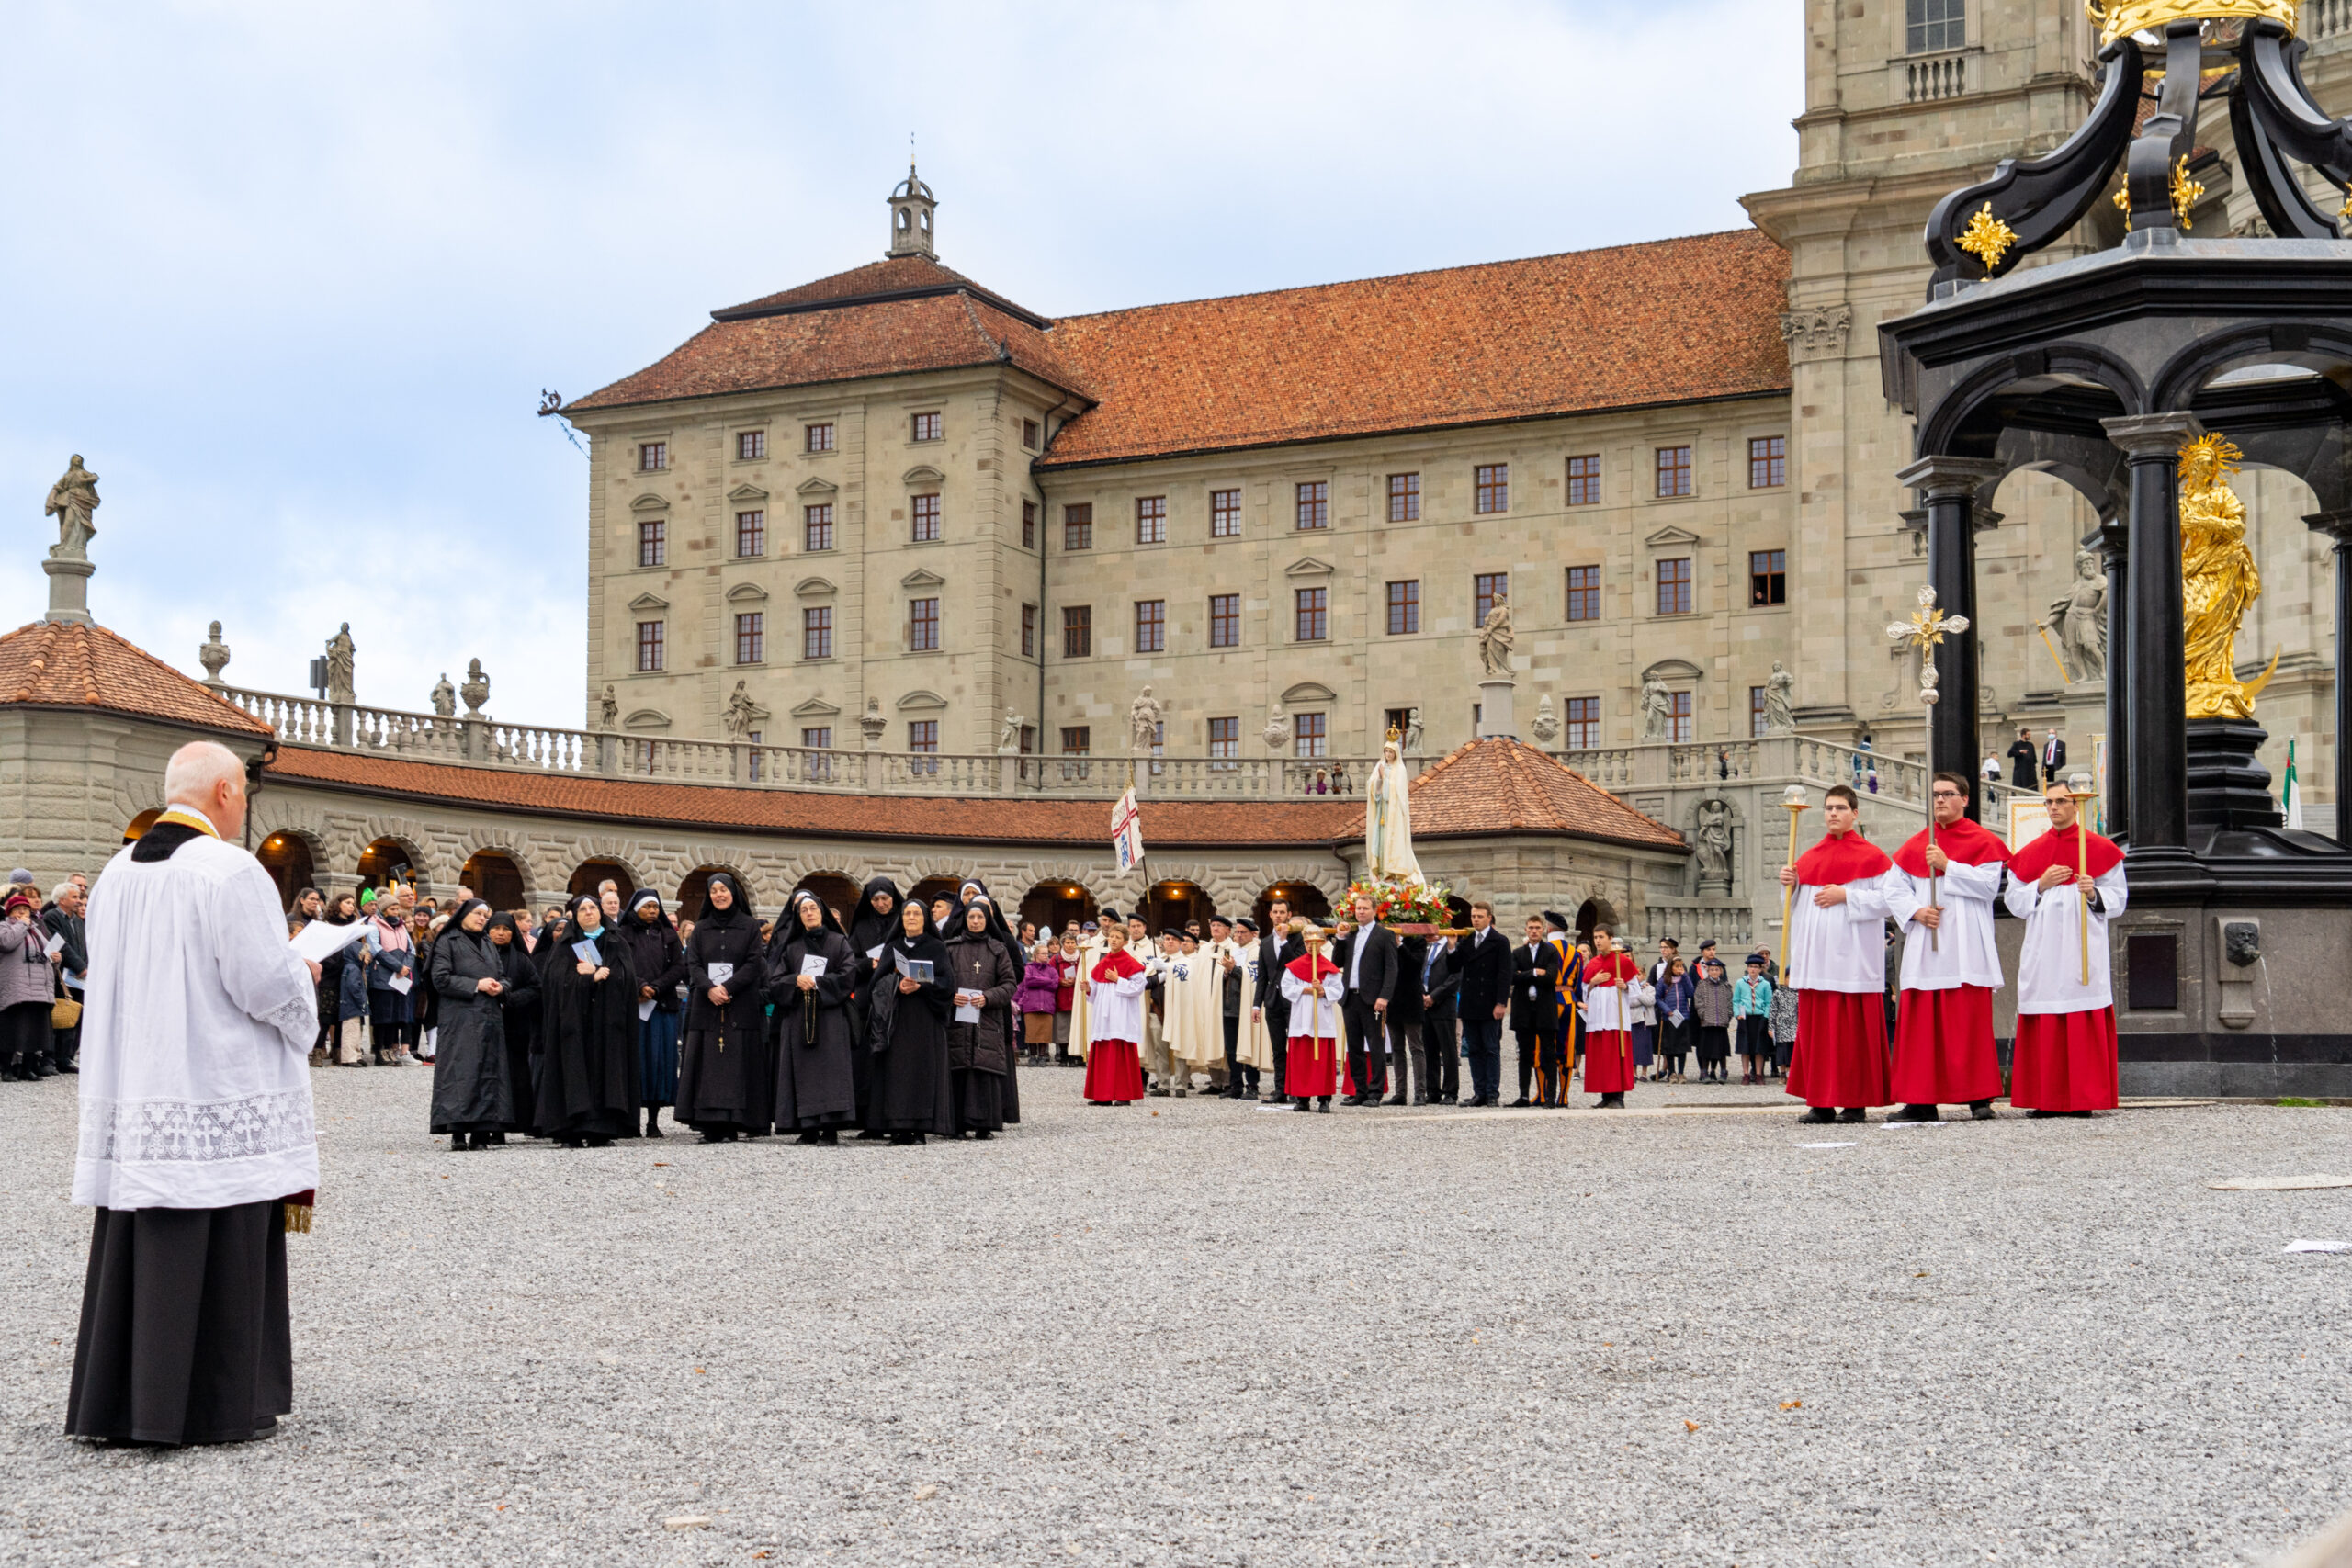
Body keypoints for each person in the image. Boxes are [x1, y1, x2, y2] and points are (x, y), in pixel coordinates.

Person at [66, 739, 322, 1447]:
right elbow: (261, 983)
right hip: (212, 1082)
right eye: (242, 792)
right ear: (226, 793)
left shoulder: (116, 872)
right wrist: (303, 975)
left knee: (142, 1233)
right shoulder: (230, 870)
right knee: (222, 1227)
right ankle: (215, 1405)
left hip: (140, 1084)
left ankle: (125, 1403)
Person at [1883, 771, 2009, 1122]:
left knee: (1969, 1026)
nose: (1940, 799)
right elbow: (1893, 888)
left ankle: (1979, 1098)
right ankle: (1921, 1102)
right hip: (1927, 945)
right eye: (1936, 794)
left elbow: (1989, 887)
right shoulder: (1917, 844)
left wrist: (1948, 865)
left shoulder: (1982, 841)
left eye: (1948, 793)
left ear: (1965, 799)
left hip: (1967, 947)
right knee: (1922, 1030)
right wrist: (1917, 911)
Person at [2004, 779, 2128, 1116]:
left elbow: (2119, 898)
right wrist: (2040, 885)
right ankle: (2047, 1099)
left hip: (2081, 945)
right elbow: (2013, 902)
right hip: (2043, 948)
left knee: (2080, 1014)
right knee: (2045, 1014)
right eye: (2049, 802)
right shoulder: (2031, 852)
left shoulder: (2098, 849)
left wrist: (2093, 892)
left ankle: (2082, 1099)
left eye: (2061, 801)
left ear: (2076, 806)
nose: (2054, 807)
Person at [1778, 783, 1894, 1124]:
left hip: (1854, 961)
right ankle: (1821, 1103)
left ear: (1854, 814)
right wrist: (1789, 885)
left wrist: (1847, 896)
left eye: (1841, 808)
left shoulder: (1873, 858)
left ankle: (1855, 1103)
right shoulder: (1808, 858)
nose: (1833, 813)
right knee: (1819, 1037)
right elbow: (1791, 908)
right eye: (1829, 808)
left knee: (1852, 1037)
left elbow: (1890, 901)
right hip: (1817, 962)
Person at [534, 892, 640, 1147]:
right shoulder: (566, 944)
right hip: (574, 1023)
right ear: (575, 916)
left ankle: (601, 1129)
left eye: (592, 907)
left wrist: (599, 972)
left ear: (601, 911)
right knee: (573, 1071)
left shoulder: (615, 941)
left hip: (608, 1022)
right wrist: (586, 980)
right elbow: (554, 982)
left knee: (607, 1072)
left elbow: (627, 979)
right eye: (582, 910)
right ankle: (570, 1129)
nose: (589, 912)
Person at [676, 874, 769, 1142]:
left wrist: (727, 987)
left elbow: (753, 963)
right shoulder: (701, 928)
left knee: (736, 1065)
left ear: (733, 892)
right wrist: (709, 988)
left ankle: (733, 1123)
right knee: (708, 1065)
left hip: (740, 1003)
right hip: (707, 1005)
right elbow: (693, 964)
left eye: (724, 889)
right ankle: (710, 1124)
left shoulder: (749, 926)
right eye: (714, 890)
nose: (719, 894)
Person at [771, 890, 859, 1142]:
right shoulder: (792, 947)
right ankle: (807, 1128)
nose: (809, 913)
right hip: (798, 1016)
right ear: (798, 917)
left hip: (830, 1016)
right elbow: (775, 980)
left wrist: (819, 982)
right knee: (803, 1071)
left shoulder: (838, 942)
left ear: (822, 913)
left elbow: (848, 973)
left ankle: (830, 1128)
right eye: (804, 910)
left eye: (813, 909)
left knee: (831, 1072)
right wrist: (795, 980)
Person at [866, 898, 955, 1143]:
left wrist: (922, 986)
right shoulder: (892, 947)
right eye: (907, 914)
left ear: (925, 919)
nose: (912, 917)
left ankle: (920, 1128)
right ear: (902, 919)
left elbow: (948, 984)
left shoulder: (937, 947)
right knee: (896, 1073)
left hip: (926, 1021)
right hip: (897, 1021)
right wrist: (897, 983)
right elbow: (876, 983)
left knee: (922, 1072)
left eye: (917, 914)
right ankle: (898, 1126)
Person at [427, 900, 512, 1150]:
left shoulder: (487, 942)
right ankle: (457, 1131)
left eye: (486, 915)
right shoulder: (447, 941)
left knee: (487, 1071)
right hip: (459, 1017)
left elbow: (503, 975)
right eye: (478, 914)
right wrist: (476, 985)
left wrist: (501, 987)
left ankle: (481, 1131)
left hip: (489, 1016)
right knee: (460, 1071)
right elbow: (440, 978)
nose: (482, 919)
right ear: (463, 914)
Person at [944, 898, 1019, 1138]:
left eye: (980, 917)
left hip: (987, 1018)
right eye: (971, 917)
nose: (975, 922)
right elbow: (940, 981)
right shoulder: (950, 948)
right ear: (965, 919)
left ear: (987, 920)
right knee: (959, 1068)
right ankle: (957, 1125)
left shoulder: (998, 949)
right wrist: (950, 996)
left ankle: (985, 1125)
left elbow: (1009, 983)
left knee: (984, 1067)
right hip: (958, 1019)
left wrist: (988, 997)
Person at [616, 891, 687, 1137]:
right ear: (636, 908)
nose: (652, 911)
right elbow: (618, 964)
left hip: (662, 1005)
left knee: (659, 1063)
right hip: (632, 1006)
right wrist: (639, 985)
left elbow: (679, 967)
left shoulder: (668, 935)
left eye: (655, 907)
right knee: (633, 1061)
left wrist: (656, 987)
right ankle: (629, 1121)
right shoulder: (622, 934)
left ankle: (653, 1121)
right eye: (647, 907)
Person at [846, 877, 904, 1132]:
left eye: (885, 899)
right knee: (865, 1060)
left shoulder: (903, 921)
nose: (881, 904)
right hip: (867, 998)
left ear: (893, 898)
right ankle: (865, 1118)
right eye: (876, 900)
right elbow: (849, 961)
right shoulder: (861, 927)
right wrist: (867, 964)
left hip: (896, 995)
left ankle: (893, 1116)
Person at [1336, 893, 1398, 1107]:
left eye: (1365, 908)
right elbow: (1337, 962)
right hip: (1350, 997)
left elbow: (1391, 968)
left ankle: (1375, 1092)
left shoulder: (1384, 935)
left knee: (1375, 1045)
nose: (1361, 912)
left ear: (1374, 911)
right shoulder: (1351, 935)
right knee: (1354, 1047)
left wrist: (1384, 996)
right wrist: (1340, 939)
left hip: (1373, 999)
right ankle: (1359, 1091)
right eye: (1358, 908)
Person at [484, 913, 540, 1137]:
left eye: (506, 929)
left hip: (514, 1026)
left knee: (515, 1074)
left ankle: (516, 1121)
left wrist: (510, 1000)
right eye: (496, 928)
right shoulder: (480, 956)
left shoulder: (521, 960)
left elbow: (535, 987)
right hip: (484, 1025)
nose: (500, 933)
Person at [1280, 927, 1344, 1112]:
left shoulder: (1329, 968)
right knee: (1302, 1062)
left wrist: (1323, 990)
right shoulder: (1295, 967)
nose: (1311, 946)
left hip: (1321, 1020)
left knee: (1322, 1062)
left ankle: (1324, 1099)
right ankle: (1302, 1099)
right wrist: (1307, 990)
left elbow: (1338, 990)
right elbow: (1286, 987)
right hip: (1301, 1019)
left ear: (1322, 943)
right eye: (1308, 943)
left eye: (1315, 943)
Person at [1453, 902, 1510, 1107]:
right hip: (1470, 1003)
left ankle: (1492, 1092)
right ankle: (1479, 1092)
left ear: (1489, 918)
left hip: (1490, 1003)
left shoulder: (1500, 941)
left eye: (1479, 916)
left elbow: (1504, 974)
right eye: (1473, 916)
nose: (1475, 919)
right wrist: (1452, 947)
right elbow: (1453, 966)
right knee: (1474, 1049)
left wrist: (1501, 1002)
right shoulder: (1467, 941)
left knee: (1491, 1048)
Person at [0, 889, 62, 1079]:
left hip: (39, 988)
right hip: (17, 987)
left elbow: (46, 955)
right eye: (17, 909)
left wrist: (56, 959)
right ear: (10, 912)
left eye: (25, 910)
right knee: (13, 1029)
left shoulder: (36, 931)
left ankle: (27, 1069)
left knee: (35, 1030)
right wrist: (21, 925)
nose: (22, 913)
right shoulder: (5, 927)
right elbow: (7, 943)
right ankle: (7, 1069)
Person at [1579, 926, 1640, 1108]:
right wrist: (1593, 982)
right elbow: (1584, 992)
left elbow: (1636, 990)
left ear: (1610, 938)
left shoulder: (1623, 962)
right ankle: (1606, 1097)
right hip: (1598, 1018)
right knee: (1601, 1058)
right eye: (1595, 937)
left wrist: (1625, 986)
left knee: (1616, 1057)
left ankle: (1617, 1098)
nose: (1597, 941)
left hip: (1615, 1017)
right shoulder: (1593, 964)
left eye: (1601, 937)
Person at [1251, 900, 1304, 1103]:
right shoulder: (1265, 942)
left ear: (1289, 915)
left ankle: (1298, 1092)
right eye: (1275, 912)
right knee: (1278, 1049)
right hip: (1273, 1000)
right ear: (1270, 915)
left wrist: (1284, 941)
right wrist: (1257, 1004)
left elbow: (1296, 964)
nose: (1279, 915)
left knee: (1296, 1048)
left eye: (1282, 912)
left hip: (1293, 1000)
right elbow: (1262, 976)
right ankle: (1281, 1090)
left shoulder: (1298, 938)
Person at [1509, 915, 1564, 1106]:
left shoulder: (1551, 951)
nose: (1534, 931)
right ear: (1526, 930)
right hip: (1523, 1007)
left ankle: (1550, 1096)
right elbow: (1512, 977)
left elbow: (1550, 978)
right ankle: (1523, 1095)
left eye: (1537, 928)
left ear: (1543, 930)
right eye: (1531, 928)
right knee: (1524, 1053)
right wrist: (1534, 972)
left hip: (1544, 1007)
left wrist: (1524, 975)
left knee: (1548, 1052)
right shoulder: (1517, 952)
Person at [363, 890, 420, 1066]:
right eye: (392, 909)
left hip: (399, 977)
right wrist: (398, 966)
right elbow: (376, 949)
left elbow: (411, 949)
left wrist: (406, 967)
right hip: (383, 976)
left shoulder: (401, 925)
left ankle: (390, 1049)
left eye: (397, 909)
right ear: (384, 910)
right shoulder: (374, 924)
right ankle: (380, 1050)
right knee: (382, 1016)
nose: (396, 912)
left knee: (395, 1015)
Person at [45, 879, 88, 1073]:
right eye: (74, 897)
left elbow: (82, 947)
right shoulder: (52, 917)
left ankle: (68, 1056)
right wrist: (80, 967)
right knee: (61, 1015)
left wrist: (85, 966)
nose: (79, 900)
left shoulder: (77, 920)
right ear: (62, 900)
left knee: (75, 1014)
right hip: (61, 975)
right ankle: (55, 1057)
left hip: (78, 977)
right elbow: (61, 944)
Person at [1418, 931, 1460, 1104]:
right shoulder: (1427, 948)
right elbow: (1421, 973)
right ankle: (1433, 1090)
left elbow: (1455, 977)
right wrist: (1422, 995)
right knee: (1429, 1050)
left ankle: (1450, 1091)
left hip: (1443, 1005)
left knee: (1448, 1050)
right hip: (1425, 1006)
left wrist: (1434, 996)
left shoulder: (1452, 948)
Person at [1014, 939, 1061, 1064]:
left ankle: (1042, 1056)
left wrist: (1038, 981)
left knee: (1044, 1034)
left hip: (1047, 1006)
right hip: (1031, 1005)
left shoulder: (1052, 970)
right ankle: (1033, 1056)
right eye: (1043, 953)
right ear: (1036, 955)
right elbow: (1028, 981)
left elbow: (1054, 985)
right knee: (1032, 1033)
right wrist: (1046, 980)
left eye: (1047, 953)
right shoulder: (1028, 968)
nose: (1046, 955)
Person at [1691, 955, 1734, 1084]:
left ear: (1721, 971)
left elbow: (1730, 1002)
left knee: (1721, 1049)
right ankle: (1704, 1071)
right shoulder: (1702, 984)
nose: (1714, 972)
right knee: (1706, 1048)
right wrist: (1703, 1014)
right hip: (1707, 1022)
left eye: (1717, 970)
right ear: (1708, 971)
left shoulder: (1726, 986)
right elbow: (1698, 1001)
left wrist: (1728, 1015)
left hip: (1721, 1022)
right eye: (1711, 970)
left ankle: (1723, 1071)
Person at [1734, 955, 1774, 1086]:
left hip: (1759, 1018)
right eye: (1751, 967)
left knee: (1759, 1048)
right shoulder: (1741, 983)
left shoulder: (1765, 984)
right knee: (1745, 1047)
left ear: (1760, 969)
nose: (1753, 970)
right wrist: (1738, 1014)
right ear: (1747, 968)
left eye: (1756, 967)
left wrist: (1766, 1016)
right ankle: (1746, 1074)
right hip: (1745, 1018)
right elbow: (1736, 1000)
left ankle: (1758, 1074)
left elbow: (1768, 1002)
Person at [2007, 727, 2038, 791]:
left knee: (2032, 788)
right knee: (2021, 788)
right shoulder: (2017, 744)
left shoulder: (2031, 745)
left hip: (2030, 771)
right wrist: (2019, 752)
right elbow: (2009, 754)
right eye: (2028, 734)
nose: (2029, 736)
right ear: (2023, 735)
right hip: (2021, 771)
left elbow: (2034, 758)